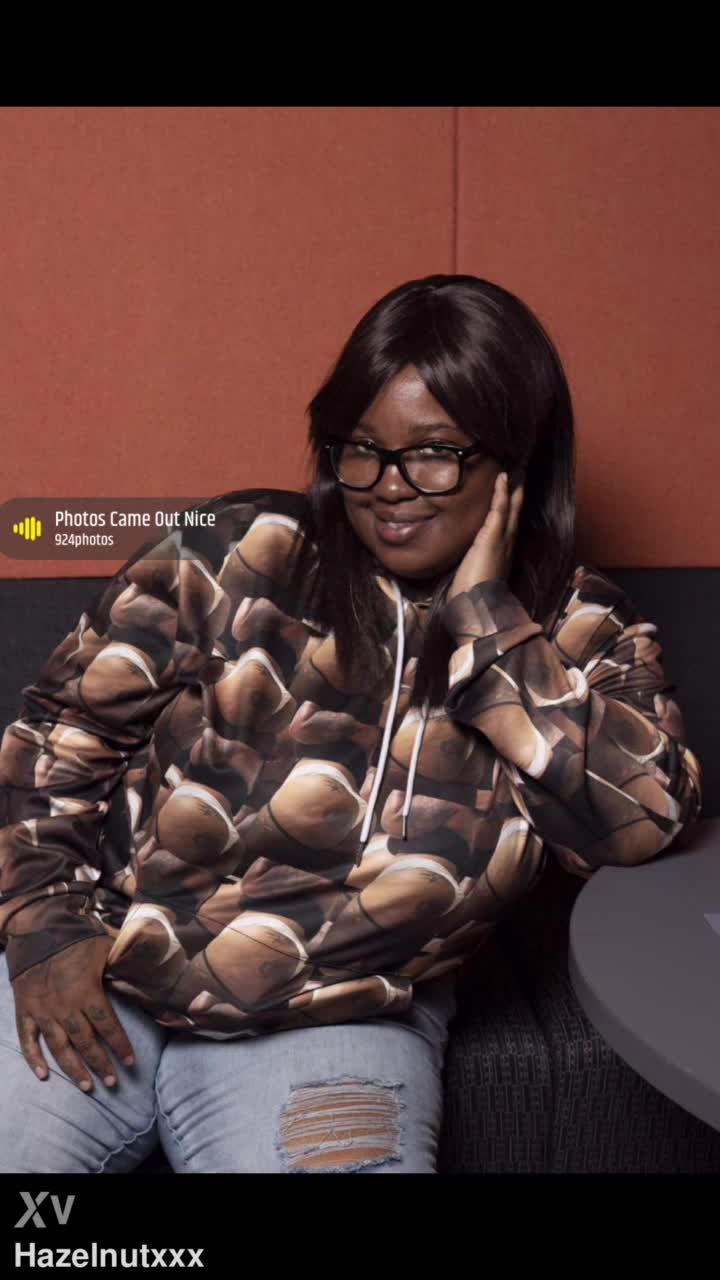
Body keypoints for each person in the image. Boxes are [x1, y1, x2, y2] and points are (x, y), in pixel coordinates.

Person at [0, 273, 703, 1174]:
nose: (388, 489)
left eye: (434, 454)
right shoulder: (238, 550)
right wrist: (44, 927)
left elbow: (640, 823)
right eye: (361, 450)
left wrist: (489, 626)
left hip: (335, 1024)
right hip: (105, 982)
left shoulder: (583, 633)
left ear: (515, 459)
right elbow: (59, 734)